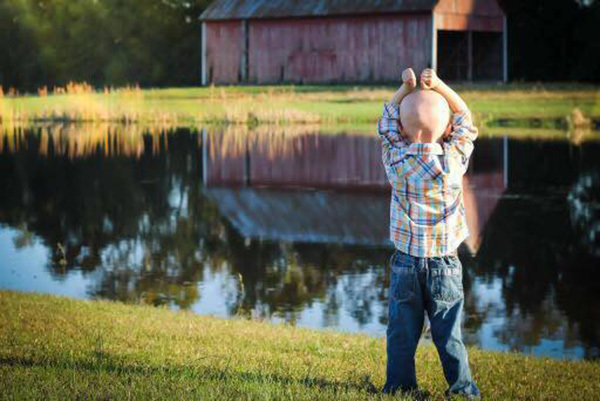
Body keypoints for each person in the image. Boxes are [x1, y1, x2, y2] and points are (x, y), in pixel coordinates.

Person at [377, 67, 481, 400]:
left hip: (406, 263)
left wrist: (404, 87)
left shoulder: (396, 162)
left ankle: (399, 387)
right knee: (449, 334)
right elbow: (465, 118)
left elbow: (387, 123)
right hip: (445, 265)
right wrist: (439, 86)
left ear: (404, 133)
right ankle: (463, 391)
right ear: (447, 130)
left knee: (401, 332)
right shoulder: (454, 161)